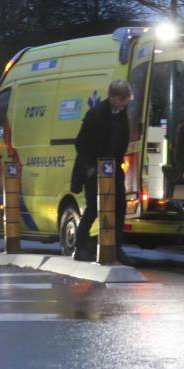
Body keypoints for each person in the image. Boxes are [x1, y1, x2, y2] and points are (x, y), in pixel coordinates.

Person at [71, 80, 133, 265]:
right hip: (94, 168)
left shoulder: (121, 115)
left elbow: (122, 139)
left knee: (120, 206)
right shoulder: (96, 114)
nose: (124, 104)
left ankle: (116, 247)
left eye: (126, 100)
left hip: (113, 167)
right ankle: (80, 246)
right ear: (112, 97)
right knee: (93, 207)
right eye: (121, 99)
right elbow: (81, 143)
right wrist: (90, 166)